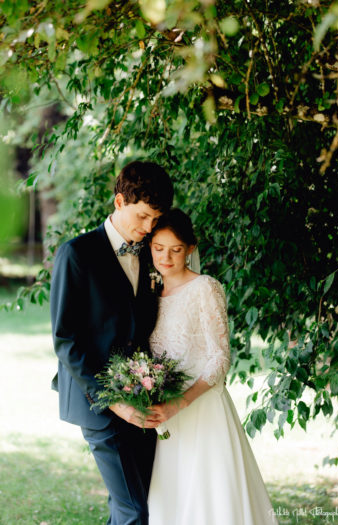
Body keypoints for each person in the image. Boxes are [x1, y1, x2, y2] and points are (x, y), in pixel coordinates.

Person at [50, 160, 174, 525]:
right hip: (97, 404)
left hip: (144, 398)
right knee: (135, 510)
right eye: (143, 216)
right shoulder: (76, 254)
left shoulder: (152, 252)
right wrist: (114, 401)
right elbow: (66, 340)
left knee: (135, 502)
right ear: (119, 201)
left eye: (156, 218)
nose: (149, 227)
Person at [146, 209, 278, 525]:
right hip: (164, 414)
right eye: (158, 248)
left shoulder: (205, 287)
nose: (165, 257)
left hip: (201, 408)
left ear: (190, 249)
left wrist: (181, 402)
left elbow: (220, 357)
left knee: (211, 501)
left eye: (175, 249)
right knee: (173, 500)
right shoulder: (149, 291)